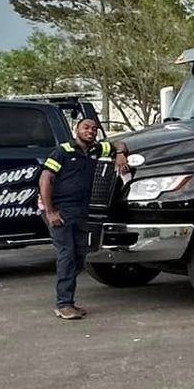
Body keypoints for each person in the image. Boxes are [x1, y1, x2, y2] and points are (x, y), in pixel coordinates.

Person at [38, 118, 128, 320]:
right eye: (86, 127)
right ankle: (64, 304)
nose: (91, 131)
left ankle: (67, 300)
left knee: (79, 255)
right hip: (60, 210)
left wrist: (120, 153)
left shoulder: (97, 149)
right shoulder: (62, 151)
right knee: (67, 254)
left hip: (81, 211)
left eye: (94, 129)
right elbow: (45, 179)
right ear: (75, 130)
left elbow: (120, 144)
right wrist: (50, 211)